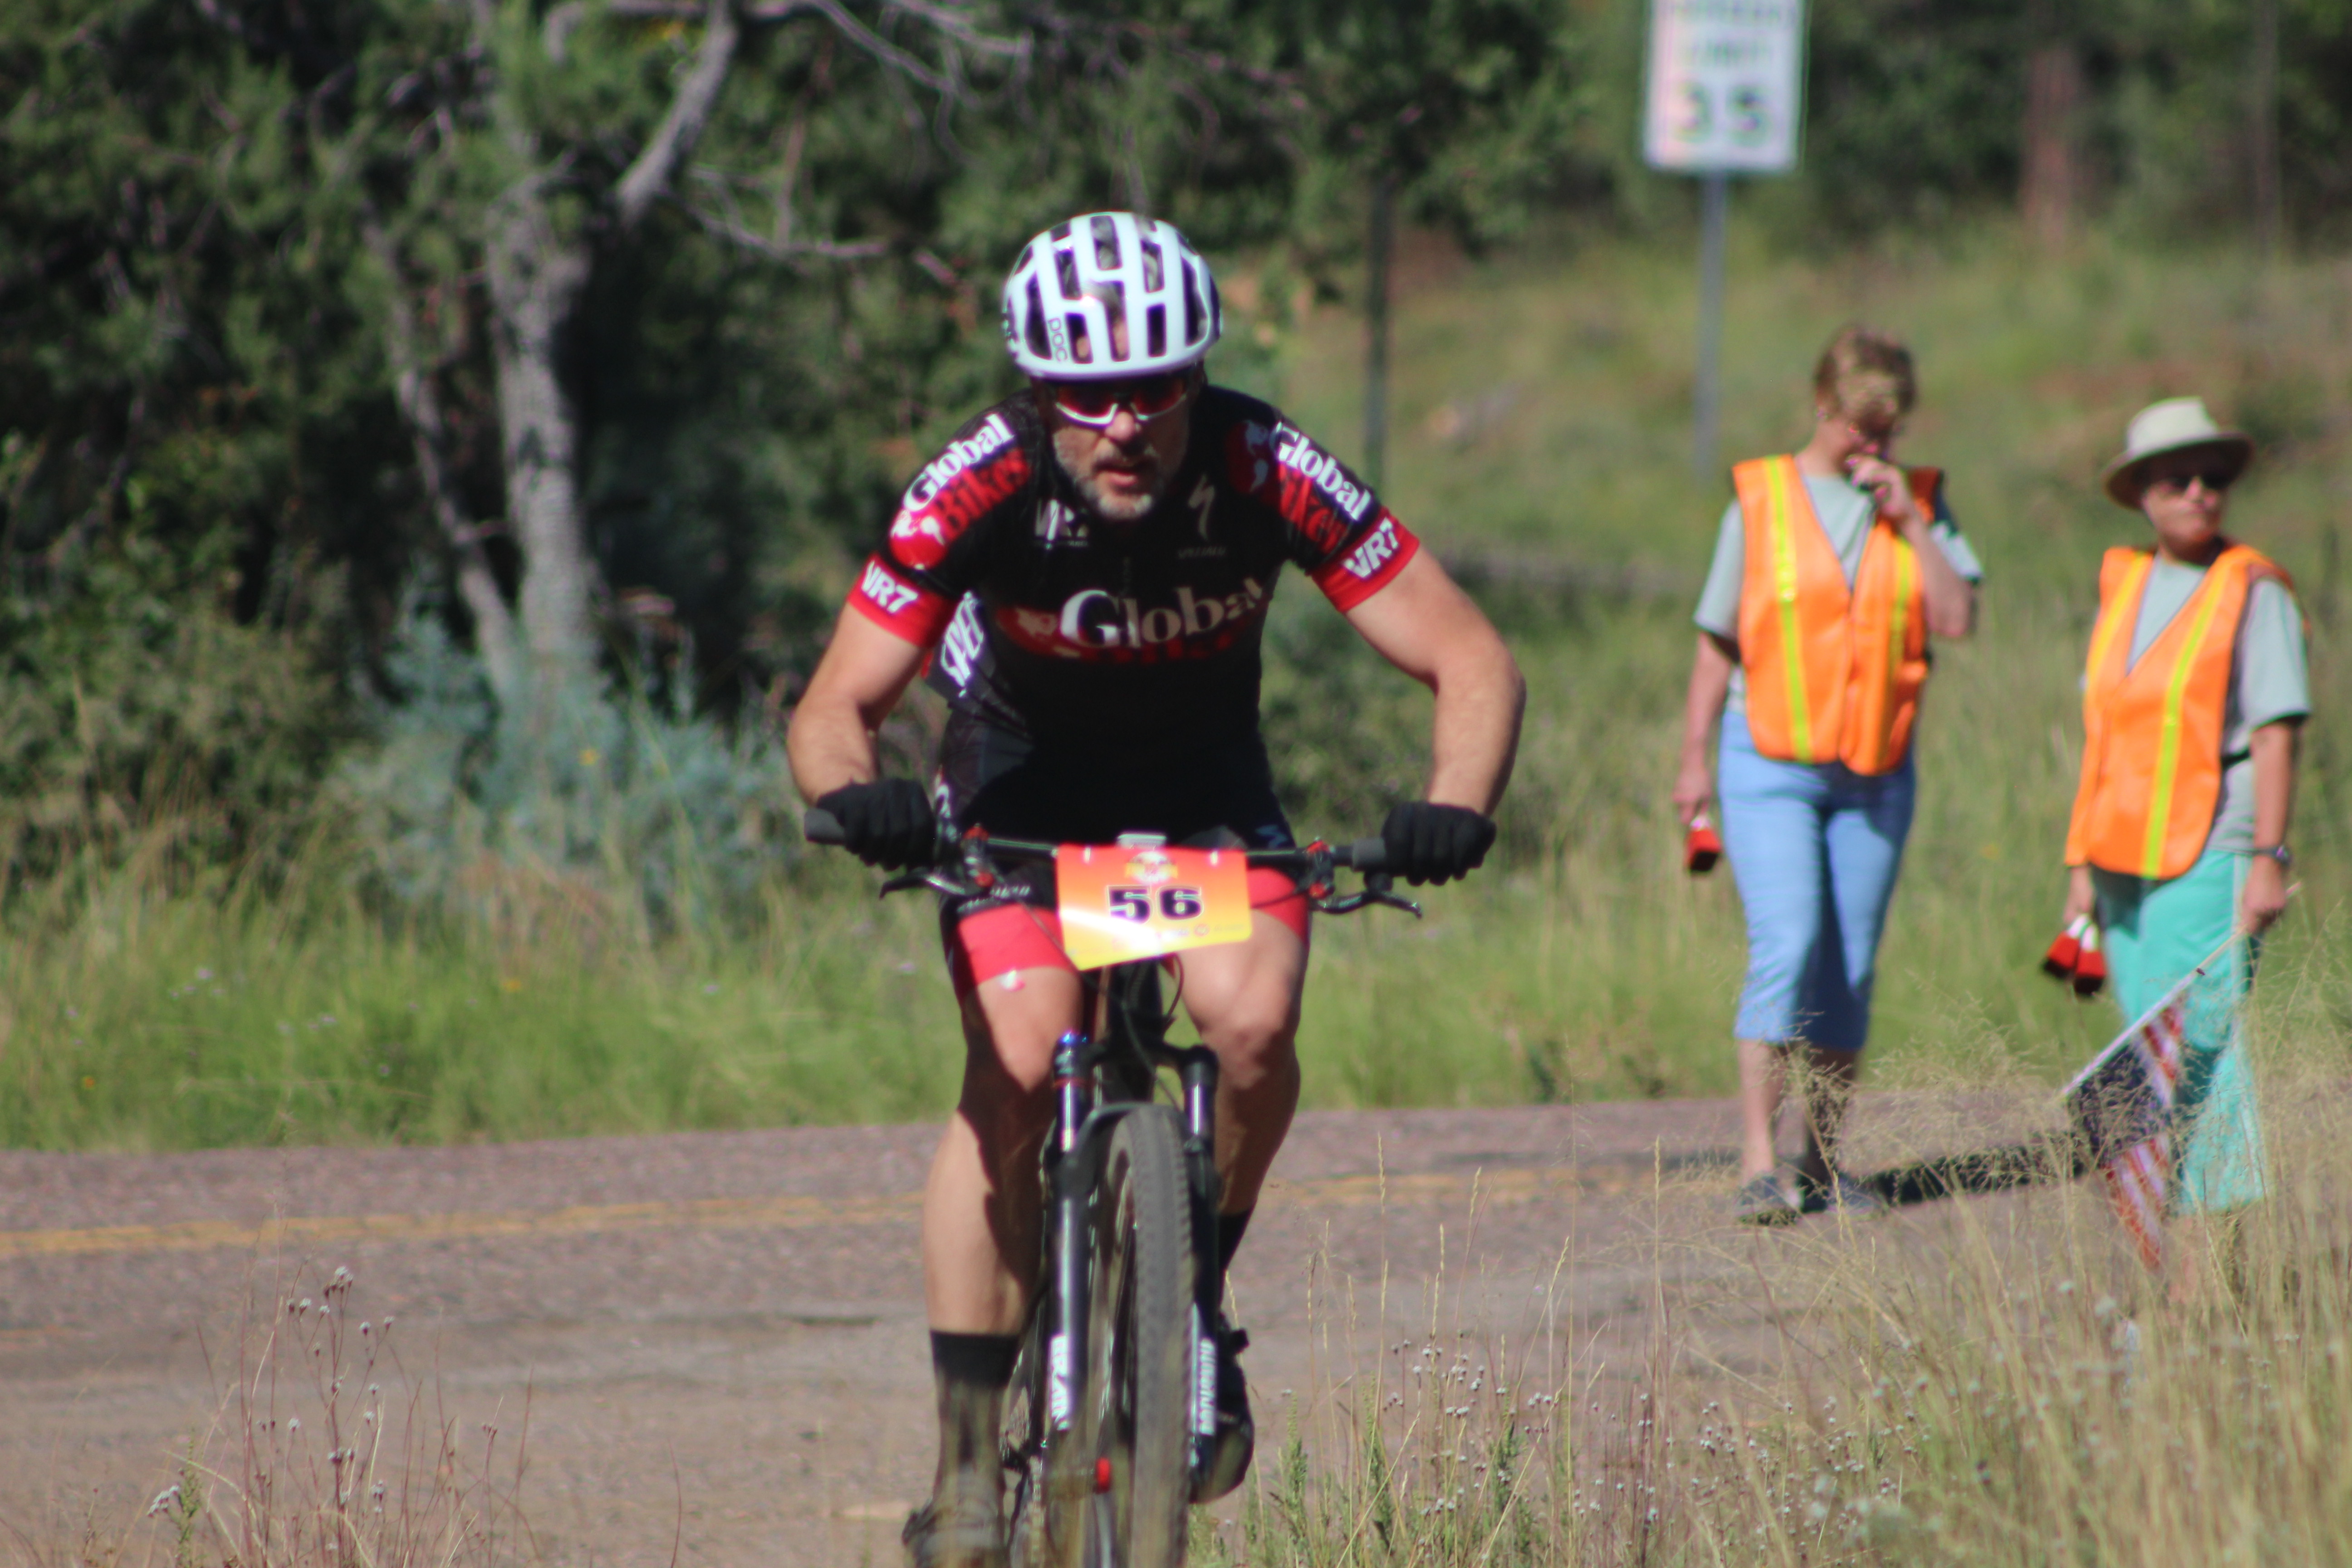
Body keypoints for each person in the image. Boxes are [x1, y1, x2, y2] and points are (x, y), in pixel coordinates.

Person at [785, 212, 1525, 1568]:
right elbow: (837, 702)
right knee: (1020, 1058)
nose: (1123, 423)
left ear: (1199, 376)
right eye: (1087, 395)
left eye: (1156, 387)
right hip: (1022, 791)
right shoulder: (979, 478)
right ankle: (965, 1464)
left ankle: (1193, 1314)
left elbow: (1469, 657)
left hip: (1203, 796)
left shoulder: (1265, 464)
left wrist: (1456, 807)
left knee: (1252, 1027)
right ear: (1036, 390)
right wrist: (857, 794)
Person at [1671, 326, 1982, 1225]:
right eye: (1858, 424)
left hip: (1876, 770)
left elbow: (1957, 619)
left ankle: (1824, 1165)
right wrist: (1692, 761)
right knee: (1790, 941)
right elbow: (1716, 642)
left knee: (1849, 967)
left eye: (1888, 428)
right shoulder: (1761, 499)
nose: (1871, 444)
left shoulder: (1922, 502)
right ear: (1822, 403)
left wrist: (1911, 522)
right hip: (1769, 760)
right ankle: (1758, 1163)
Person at [2061, 396, 2307, 1303]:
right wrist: (2080, 863)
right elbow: (2104, 732)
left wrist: (2269, 856)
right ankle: (2167, 1271)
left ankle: (2210, 1287)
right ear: (2141, 493)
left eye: (2212, 478)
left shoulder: (2254, 588)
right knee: (2146, 1063)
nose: (2198, 492)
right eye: (2176, 479)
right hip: (2121, 855)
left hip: (2214, 847)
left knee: (2203, 1055)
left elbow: (2277, 732)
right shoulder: (2124, 584)